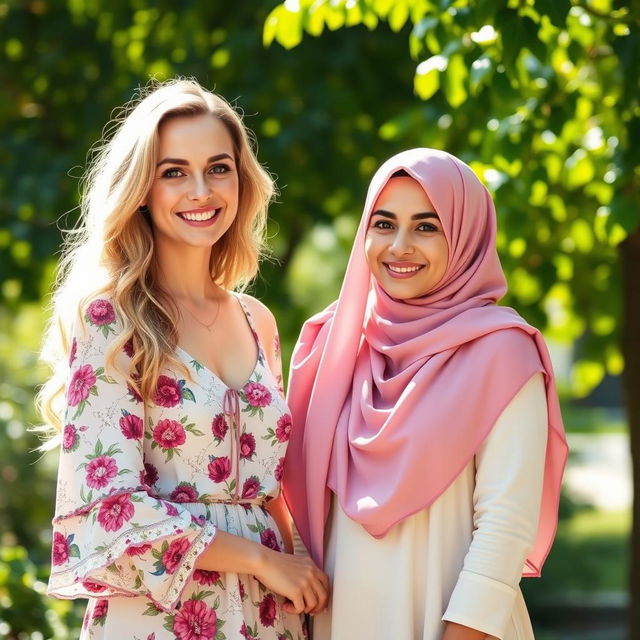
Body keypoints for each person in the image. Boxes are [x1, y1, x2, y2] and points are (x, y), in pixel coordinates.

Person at [39, 78, 328, 640]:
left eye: (219, 168)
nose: (201, 190)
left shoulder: (257, 320)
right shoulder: (111, 322)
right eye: (174, 172)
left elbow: (270, 492)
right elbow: (108, 510)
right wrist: (261, 560)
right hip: (160, 618)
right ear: (142, 188)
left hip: (271, 617)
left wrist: (296, 564)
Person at [283, 148, 568, 640]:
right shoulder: (332, 344)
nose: (399, 246)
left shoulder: (502, 352)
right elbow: (299, 506)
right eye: (384, 223)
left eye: (427, 226)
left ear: (465, 237)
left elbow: (503, 527)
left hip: (456, 627)